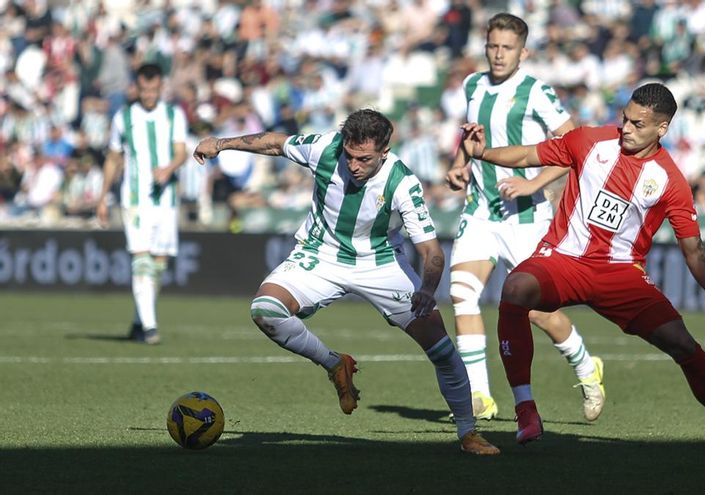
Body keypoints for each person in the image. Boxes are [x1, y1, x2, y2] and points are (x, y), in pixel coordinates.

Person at [459, 83, 705, 456]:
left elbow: (695, 250)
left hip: (621, 274)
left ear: (662, 129)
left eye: (638, 124)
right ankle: (526, 411)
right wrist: (483, 152)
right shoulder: (589, 141)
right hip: (564, 259)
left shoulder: (670, 180)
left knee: (683, 344)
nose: (626, 129)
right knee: (515, 288)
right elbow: (528, 155)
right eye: (625, 119)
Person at [193, 109, 500, 456]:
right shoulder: (326, 148)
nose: (354, 165)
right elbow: (274, 144)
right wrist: (221, 144)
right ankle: (335, 364)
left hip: (381, 263)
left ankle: (468, 432)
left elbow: (431, 252)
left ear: (384, 151)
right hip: (320, 254)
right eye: (350, 156)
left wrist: (428, 290)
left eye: (364, 159)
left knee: (441, 349)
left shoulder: (403, 183)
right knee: (265, 311)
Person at [445, 13, 605, 422]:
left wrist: (534, 186)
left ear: (523, 51)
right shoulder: (473, 84)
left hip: (526, 217)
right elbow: (472, 136)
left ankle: (587, 367)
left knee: (536, 312)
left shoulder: (536, 92)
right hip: (481, 211)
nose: (499, 55)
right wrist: (460, 164)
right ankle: (479, 396)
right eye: (493, 46)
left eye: (507, 48)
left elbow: (574, 148)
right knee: (463, 294)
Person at [97, 63, 188, 345]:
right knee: (142, 260)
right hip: (135, 200)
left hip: (166, 200)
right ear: (136, 88)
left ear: (161, 87)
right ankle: (150, 328)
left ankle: (139, 322)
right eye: (144, 89)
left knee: (158, 265)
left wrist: (169, 168)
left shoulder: (174, 115)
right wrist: (102, 196)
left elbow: (182, 152)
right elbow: (113, 158)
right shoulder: (123, 117)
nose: (148, 94)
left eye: (153, 89)